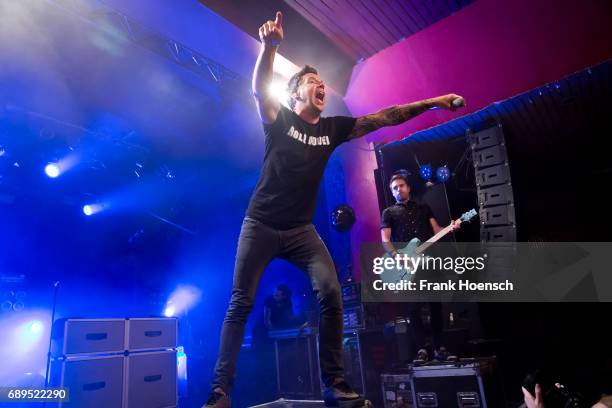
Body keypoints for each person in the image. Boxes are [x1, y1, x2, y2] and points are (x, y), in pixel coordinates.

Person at [204, 10, 465, 408]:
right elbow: (259, 90)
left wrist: (432, 102)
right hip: (259, 224)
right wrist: (269, 47)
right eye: (311, 82)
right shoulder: (280, 119)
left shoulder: (331, 129)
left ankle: (336, 386)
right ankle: (221, 392)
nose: (320, 85)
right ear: (294, 94)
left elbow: (384, 117)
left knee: (330, 292)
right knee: (241, 302)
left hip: (300, 230)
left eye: (322, 82)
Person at [381, 173, 461, 258]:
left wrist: (450, 228)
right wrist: (395, 255)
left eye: (401, 186)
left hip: (428, 257)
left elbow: (437, 230)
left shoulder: (423, 207)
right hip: (405, 262)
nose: (399, 189)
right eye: (395, 188)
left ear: (408, 188)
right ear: (392, 193)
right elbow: (385, 239)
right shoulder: (388, 212)